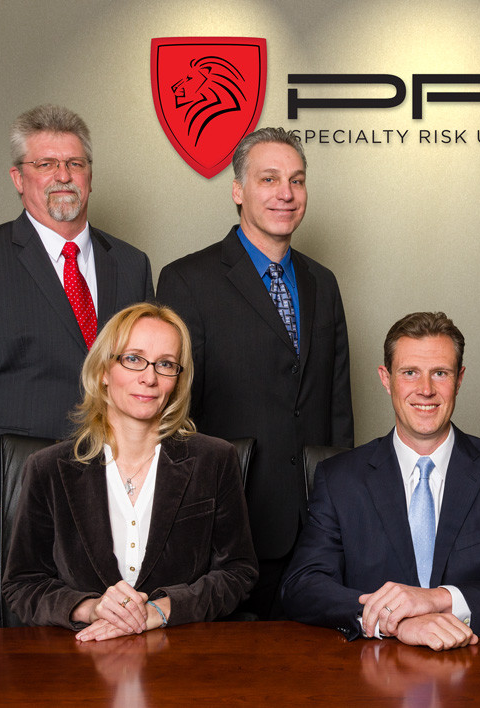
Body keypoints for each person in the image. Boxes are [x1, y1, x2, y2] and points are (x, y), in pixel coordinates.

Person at [0, 104, 154, 615]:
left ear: (90, 176)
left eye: (74, 164)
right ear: (18, 177)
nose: (62, 177)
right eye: (45, 164)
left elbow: (145, 383)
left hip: (111, 502)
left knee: (102, 656)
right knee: (7, 670)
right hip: (10, 503)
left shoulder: (132, 265)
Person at [157, 127, 353, 618]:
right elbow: (173, 412)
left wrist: (344, 509)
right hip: (227, 526)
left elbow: (336, 403)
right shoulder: (186, 280)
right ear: (238, 190)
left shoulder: (321, 283)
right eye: (269, 179)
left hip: (316, 527)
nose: (285, 193)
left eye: (297, 180)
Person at [282, 312, 480, 651]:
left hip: (479, 669)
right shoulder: (339, 477)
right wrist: (393, 619)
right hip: (371, 677)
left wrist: (439, 600)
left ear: (459, 379)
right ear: (386, 379)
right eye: (410, 373)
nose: (425, 390)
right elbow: (302, 585)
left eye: (440, 373)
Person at [2, 303, 258, 639]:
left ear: (177, 380)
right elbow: (23, 584)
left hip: (181, 659)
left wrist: (160, 610)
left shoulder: (215, 459)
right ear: (104, 371)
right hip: (81, 661)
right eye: (133, 359)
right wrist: (90, 607)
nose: (149, 378)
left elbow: (238, 572)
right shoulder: (49, 468)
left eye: (165, 364)